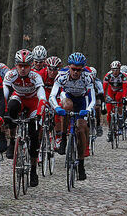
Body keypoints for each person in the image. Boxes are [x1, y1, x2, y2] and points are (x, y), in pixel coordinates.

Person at [3, 49, 46, 187]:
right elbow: (4, 93)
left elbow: (42, 96)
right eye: (20, 65)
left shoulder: (35, 76)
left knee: (34, 135)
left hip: (33, 102)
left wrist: (39, 114)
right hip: (19, 98)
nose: (22, 69)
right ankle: (12, 141)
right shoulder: (10, 75)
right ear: (15, 65)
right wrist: (4, 113)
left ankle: (33, 170)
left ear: (31, 65)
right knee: (12, 106)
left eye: (26, 66)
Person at [49, 52, 94, 181]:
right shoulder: (62, 76)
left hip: (82, 100)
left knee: (81, 128)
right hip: (67, 96)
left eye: (78, 70)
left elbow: (92, 99)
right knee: (66, 107)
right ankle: (63, 137)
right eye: (73, 69)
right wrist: (56, 108)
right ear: (69, 67)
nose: (75, 72)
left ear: (83, 69)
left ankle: (81, 164)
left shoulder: (87, 77)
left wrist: (88, 110)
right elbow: (53, 95)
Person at [38, 56, 63, 147]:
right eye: (50, 69)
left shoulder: (61, 75)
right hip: (45, 94)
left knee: (58, 113)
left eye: (55, 69)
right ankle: (41, 134)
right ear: (46, 67)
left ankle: (58, 136)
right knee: (42, 113)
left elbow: (63, 91)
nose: (52, 72)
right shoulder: (41, 74)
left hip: (56, 95)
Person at [103, 60, 127, 142]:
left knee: (118, 99)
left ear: (120, 69)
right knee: (109, 112)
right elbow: (104, 88)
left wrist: (124, 97)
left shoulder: (123, 76)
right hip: (111, 91)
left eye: (117, 69)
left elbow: (124, 89)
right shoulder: (108, 76)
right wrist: (104, 98)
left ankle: (120, 118)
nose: (115, 71)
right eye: (113, 70)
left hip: (119, 91)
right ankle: (110, 130)